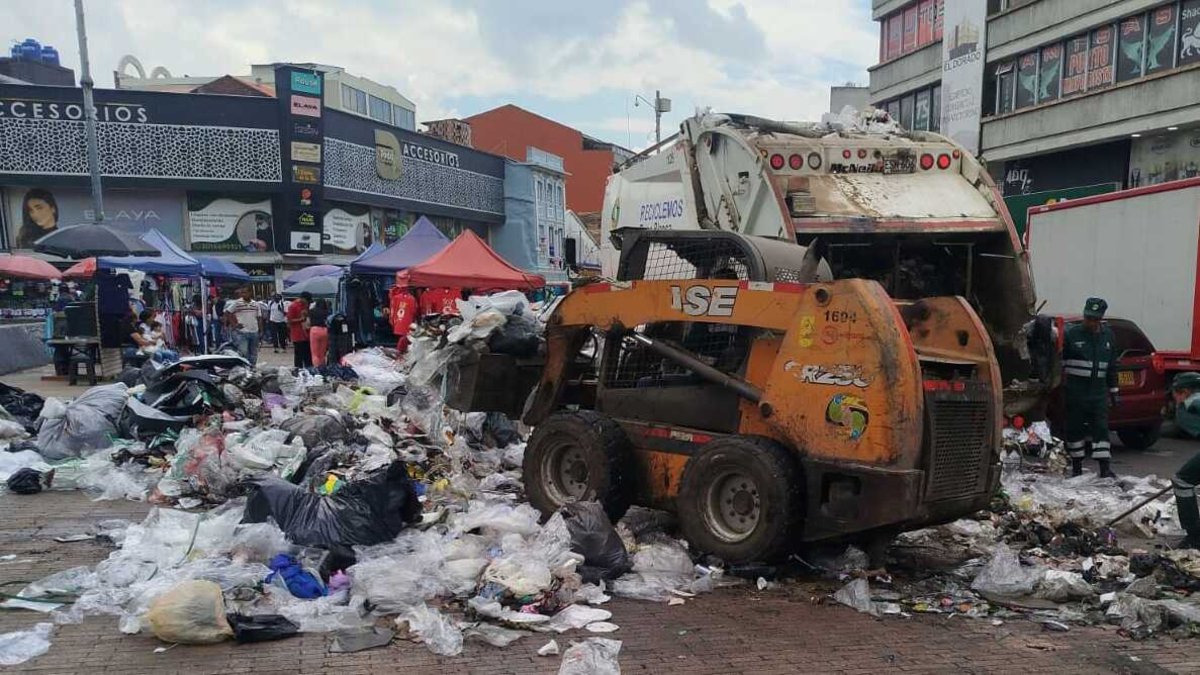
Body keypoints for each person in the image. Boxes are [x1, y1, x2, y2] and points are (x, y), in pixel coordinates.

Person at [1062, 297, 1119, 478]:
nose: (1090, 322)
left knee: (1101, 428)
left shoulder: (1108, 336)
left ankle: (1104, 468)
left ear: (1100, 319)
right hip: (1076, 392)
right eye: (1088, 317)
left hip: (1098, 392)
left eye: (1094, 319)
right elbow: (1058, 360)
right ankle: (1077, 467)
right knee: (1075, 428)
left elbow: (1111, 366)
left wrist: (1114, 390)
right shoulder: (1072, 334)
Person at [1169, 372, 1200, 548]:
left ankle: (1195, 536)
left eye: (1174, 392)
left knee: (1182, 481)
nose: (1173, 397)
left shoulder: (1189, 405)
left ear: (1185, 392)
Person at [225, 287, 262, 366]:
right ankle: (244, 367)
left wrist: (261, 330)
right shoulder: (237, 303)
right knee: (243, 352)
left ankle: (252, 367)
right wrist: (234, 324)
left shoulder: (256, 304)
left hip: (254, 331)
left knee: (253, 352)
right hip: (242, 332)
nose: (243, 294)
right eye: (242, 293)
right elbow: (228, 312)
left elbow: (259, 317)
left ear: (250, 293)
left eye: (245, 293)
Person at [389, 279, 418, 354]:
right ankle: (401, 352)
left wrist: (392, 320)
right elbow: (414, 312)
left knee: (401, 340)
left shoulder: (395, 297)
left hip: (398, 322)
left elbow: (392, 310)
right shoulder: (412, 299)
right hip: (407, 323)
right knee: (405, 340)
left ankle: (399, 352)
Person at [287, 292, 313, 369]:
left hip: (306, 334)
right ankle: (298, 371)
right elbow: (289, 321)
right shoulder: (293, 306)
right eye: (307, 300)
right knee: (299, 356)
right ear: (303, 299)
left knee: (308, 355)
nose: (308, 303)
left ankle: (309, 370)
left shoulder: (306, 306)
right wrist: (300, 319)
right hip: (297, 335)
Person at [308, 298, 330, 367]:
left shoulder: (311, 311)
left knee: (315, 353)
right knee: (322, 353)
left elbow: (308, 322)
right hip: (325, 330)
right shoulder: (326, 311)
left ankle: (317, 368)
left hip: (314, 330)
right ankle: (322, 367)